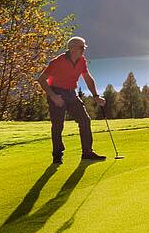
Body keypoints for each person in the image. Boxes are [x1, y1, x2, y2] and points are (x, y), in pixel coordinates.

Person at [40, 37, 106, 165]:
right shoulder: (58, 61)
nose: (84, 50)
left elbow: (87, 78)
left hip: (71, 93)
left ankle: (87, 153)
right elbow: (42, 79)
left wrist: (96, 95)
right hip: (57, 93)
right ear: (73, 48)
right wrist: (53, 96)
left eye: (84, 47)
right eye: (82, 47)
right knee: (58, 125)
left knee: (85, 120)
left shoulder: (81, 60)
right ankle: (57, 156)